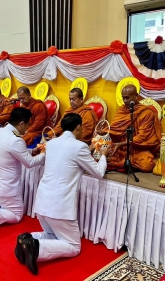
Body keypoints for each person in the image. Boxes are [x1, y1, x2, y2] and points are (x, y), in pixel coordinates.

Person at [14, 113, 108, 275]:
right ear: (78, 127)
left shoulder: (52, 144)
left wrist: (88, 151)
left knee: (51, 234)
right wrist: (104, 155)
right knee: (73, 246)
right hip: (60, 206)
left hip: (42, 202)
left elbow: (68, 158)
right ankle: (36, 248)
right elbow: (98, 173)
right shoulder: (79, 146)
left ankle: (27, 238)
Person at [104, 85, 161, 173]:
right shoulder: (122, 110)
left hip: (138, 149)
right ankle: (125, 162)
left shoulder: (147, 113)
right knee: (103, 154)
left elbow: (143, 137)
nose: (125, 101)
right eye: (123, 98)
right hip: (121, 149)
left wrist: (123, 144)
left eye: (128, 98)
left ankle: (126, 162)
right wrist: (104, 131)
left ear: (136, 95)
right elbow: (115, 129)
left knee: (147, 164)